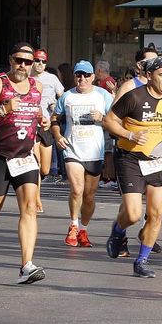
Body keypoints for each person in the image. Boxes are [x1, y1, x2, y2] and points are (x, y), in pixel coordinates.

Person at [0, 44, 49, 285]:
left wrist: (42, 119)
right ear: (11, 60)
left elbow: (35, 114)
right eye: (19, 60)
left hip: (24, 156)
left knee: (29, 208)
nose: (23, 65)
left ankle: (26, 265)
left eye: (28, 61)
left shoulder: (38, 86)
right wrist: (3, 109)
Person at [103, 57, 162, 278]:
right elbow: (109, 120)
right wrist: (130, 134)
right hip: (130, 159)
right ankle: (118, 231)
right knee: (134, 214)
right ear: (149, 76)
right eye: (161, 75)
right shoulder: (134, 97)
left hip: (157, 160)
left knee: (156, 213)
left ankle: (142, 261)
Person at [56, 61, 112, 248]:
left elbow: (114, 121)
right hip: (73, 150)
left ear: (93, 77)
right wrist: (57, 135)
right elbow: (55, 119)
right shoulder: (66, 97)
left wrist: (102, 119)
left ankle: (83, 229)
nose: (82, 79)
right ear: (74, 76)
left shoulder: (103, 95)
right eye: (79, 75)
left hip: (95, 152)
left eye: (86, 75)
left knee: (89, 195)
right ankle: (73, 225)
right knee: (77, 189)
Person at [31, 50, 66, 185]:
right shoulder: (27, 77)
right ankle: (35, 199)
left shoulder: (52, 78)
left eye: (43, 61)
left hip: (47, 124)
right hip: (31, 124)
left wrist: (56, 106)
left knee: (44, 169)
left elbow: (63, 97)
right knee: (35, 164)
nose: (40, 64)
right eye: (37, 60)